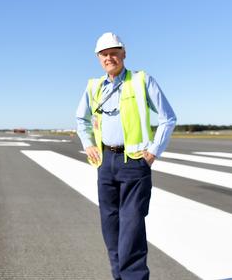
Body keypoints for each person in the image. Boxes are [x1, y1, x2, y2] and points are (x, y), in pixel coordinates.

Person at [76, 32, 176, 280]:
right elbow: (81, 119)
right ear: (99, 58)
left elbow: (168, 117)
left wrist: (153, 151)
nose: (109, 57)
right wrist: (88, 143)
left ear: (123, 54)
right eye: (104, 54)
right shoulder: (94, 86)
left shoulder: (141, 81)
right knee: (111, 229)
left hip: (134, 163)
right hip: (106, 163)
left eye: (114, 52)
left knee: (131, 229)